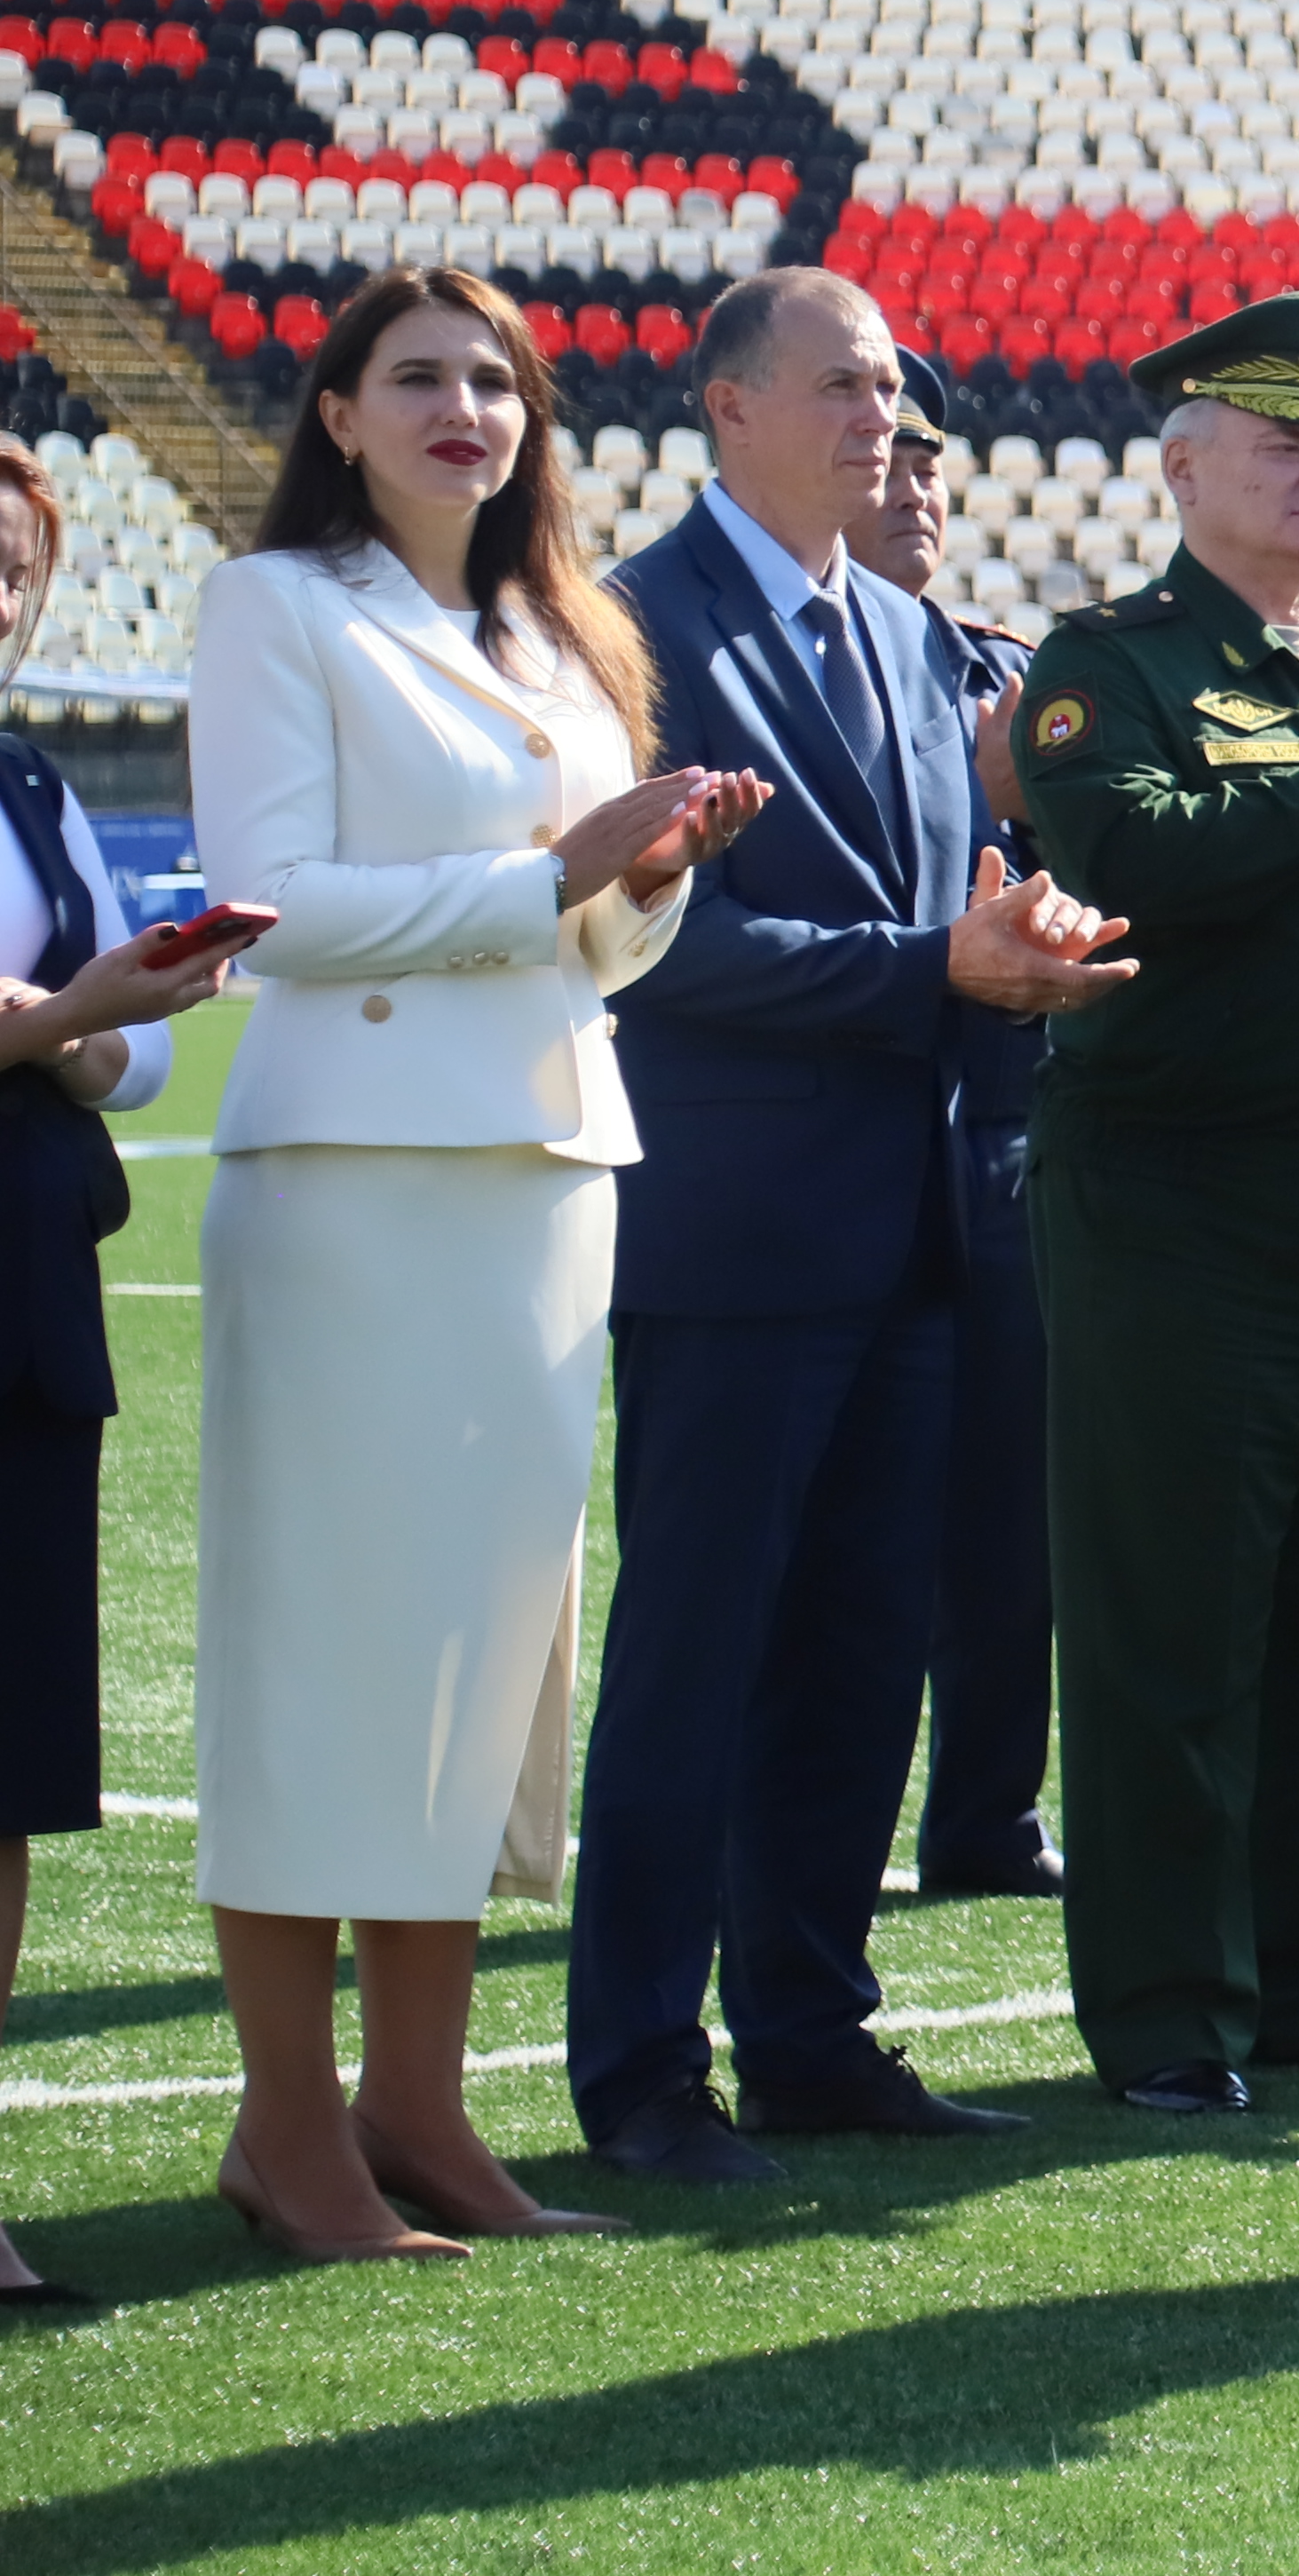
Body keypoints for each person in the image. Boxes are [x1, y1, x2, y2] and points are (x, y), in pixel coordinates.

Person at [189, 269, 759, 2258]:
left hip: (546, 1170)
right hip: (353, 1180)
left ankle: (419, 2111)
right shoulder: (277, 607)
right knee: (325, 1664)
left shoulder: (557, 633)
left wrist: (647, 882)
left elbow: (593, 946)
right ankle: (289, 2131)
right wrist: (560, 873)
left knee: (486, 1667)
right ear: (335, 415)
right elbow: (264, 916)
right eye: (416, 378)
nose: (465, 409)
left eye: (496, 381)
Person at [576, 268, 1115, 2184]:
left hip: (920, 1224)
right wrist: (937, 966)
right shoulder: (631, 624)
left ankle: (808, 2030)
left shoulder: (907, 634)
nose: (881, 413)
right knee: (700, 1651)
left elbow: (952, 908)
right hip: (736, 1230)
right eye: (841, 383)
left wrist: (1021, 953)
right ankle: (640, 2067)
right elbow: (647, 945)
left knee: (863, 1649)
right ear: (726, 404)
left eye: (892, 383)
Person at [1012, 294, 1299, 2116]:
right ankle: (1164, 2012)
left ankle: (1295, 1983)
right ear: (1184, 465)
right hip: (1182, 1200)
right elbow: (1123, 858)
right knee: (1175, 1625)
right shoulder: (1106, 662)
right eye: (1283, 439)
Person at [0, 438, 239, 2309]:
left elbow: (129, 1051)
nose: (0, 599)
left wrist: (72, 1033)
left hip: (26, 1287)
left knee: (3, 1768)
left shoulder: (30, 773)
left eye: (15, 571)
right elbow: (83, 1011)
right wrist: (75, 1021)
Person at [853, 356, 1067, 1902]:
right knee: (845, 1511)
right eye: (889, 461)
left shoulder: (1004, 669)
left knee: (1012, 1501)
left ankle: (985, 1811)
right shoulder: (732, 666)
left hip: (1003, 1128)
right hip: (845, 1119)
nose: (915, 489)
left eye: (935, 467)